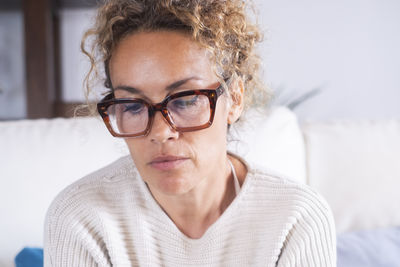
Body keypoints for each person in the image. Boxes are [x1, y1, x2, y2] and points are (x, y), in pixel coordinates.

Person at [44, 0, 336, 266]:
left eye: (185, 100)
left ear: (234, 99)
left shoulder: (296, 219)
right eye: (133, 106)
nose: (160, 132)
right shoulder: (81, 218)